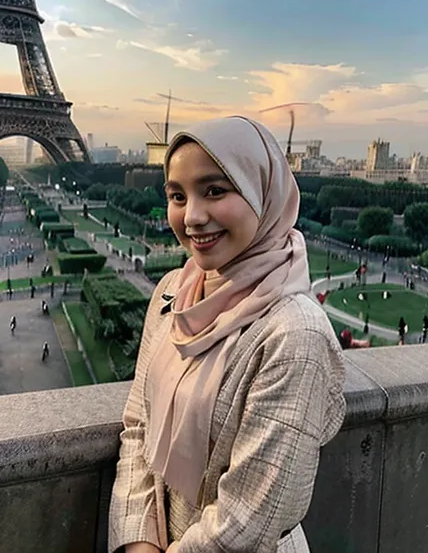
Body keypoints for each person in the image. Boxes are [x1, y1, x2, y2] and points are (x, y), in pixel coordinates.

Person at [108, 116, 346, 553]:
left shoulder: (295, 334)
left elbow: (252, 517)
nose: (192, 217)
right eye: (177, 196)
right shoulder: (172, 294)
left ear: (263, 194)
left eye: (215, 190)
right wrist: (137, 540)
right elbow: (138, 427)